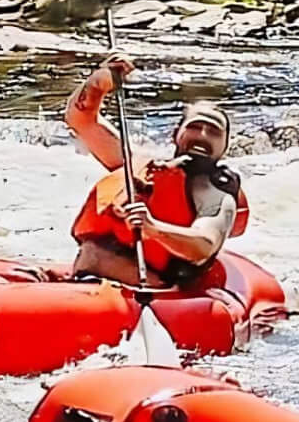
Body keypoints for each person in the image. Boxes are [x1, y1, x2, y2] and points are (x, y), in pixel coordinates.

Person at [63, 55, 249, 290]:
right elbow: (81, 120)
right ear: (176, 134)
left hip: (149, 294)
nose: (202, 136)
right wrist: (100, 82)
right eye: (194, 126)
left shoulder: (214, 192)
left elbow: (204, 244)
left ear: (224, 146)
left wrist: (153, 228)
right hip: (87, 283)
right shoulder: (139, 166)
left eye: (213, 131)